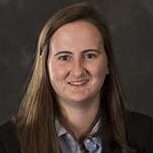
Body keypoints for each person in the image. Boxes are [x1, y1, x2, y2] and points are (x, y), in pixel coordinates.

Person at [0, 2, 152, 153]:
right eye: (64, 57)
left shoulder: (146, 135)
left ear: (108, 64)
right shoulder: (7, 142)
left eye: (89, 55)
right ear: (45, 66)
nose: (78, 71)